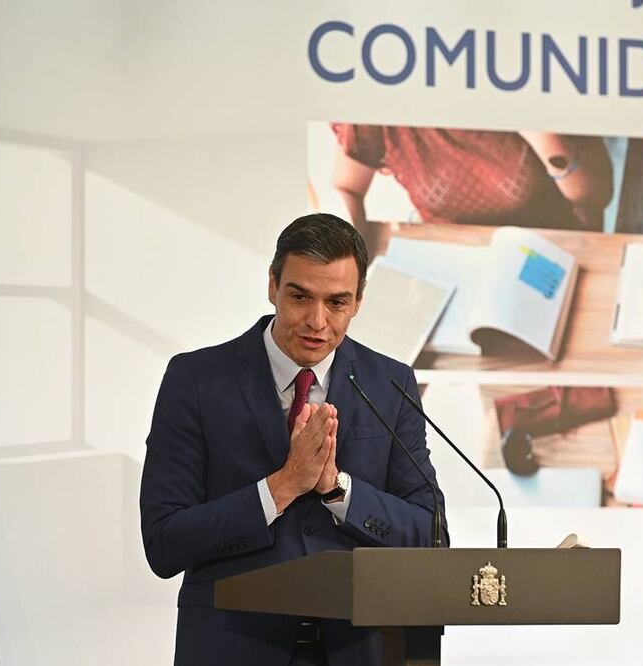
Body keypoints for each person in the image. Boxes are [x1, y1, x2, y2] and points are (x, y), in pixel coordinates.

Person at [140, 213, 446, 666]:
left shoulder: (391, 384)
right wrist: (281, 487)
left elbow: (431, 534)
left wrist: (337, 489)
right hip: (232, 647)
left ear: (358, 302)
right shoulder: (196, 380)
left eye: (337, 302)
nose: (316, 321)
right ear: (272, 286)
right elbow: (165, 543)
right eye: (300, 297)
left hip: (360, 649)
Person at [328, 124, 613, 245]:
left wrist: (539, 131)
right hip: (450, 253)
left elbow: (595, 195)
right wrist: (343, 252)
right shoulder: (382, 103)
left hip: (547, 244)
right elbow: (346, 188)